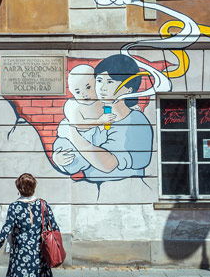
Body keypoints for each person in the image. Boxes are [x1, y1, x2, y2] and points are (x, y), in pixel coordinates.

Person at [52, 54, 153, 182]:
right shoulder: (92, 116)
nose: (102, 88)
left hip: (123, 191)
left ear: (128, 89)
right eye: (99, 81)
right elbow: (79, 158)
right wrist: (60, 159)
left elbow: (108, 164)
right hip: (91, 193)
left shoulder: (136, 121)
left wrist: (72, 133)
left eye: (110, 82)